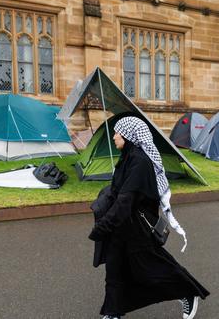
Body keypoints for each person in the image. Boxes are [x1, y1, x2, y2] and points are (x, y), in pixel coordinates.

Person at [88, 116, 209, 319]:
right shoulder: (127, 157)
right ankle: (112, 312)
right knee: (115, 269)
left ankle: (187, 293)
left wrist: (102, 227)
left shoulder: (140, 162)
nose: (114, 136)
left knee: (153, 268)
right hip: (121, 226)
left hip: (136, 229)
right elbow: (118, 190)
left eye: (117, 132)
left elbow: (126, 200)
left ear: (128, 136)